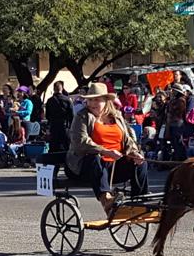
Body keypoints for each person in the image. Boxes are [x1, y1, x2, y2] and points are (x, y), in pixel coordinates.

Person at [67, 83, 148, 216]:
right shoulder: (82, 116)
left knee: (140, 162)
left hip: (114, 166)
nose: (92, 103)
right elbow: (80, 142)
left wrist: (134, 153)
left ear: (106, 101)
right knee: (94, 157)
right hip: (88, 166)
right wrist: (105, 151)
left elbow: (128, 139)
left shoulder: (117, 116)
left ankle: (139, 202)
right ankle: (107, 199)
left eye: (96, 100)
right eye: (90, 100)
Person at [44, 81, 73, 152]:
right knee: (65, 146)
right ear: (62, 88)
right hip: (64, 126)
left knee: (54, 147)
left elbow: (47, 115)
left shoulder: (49, 101)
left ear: (54, 89)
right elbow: (72, 115)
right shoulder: (67, 100)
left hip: (54, 126)